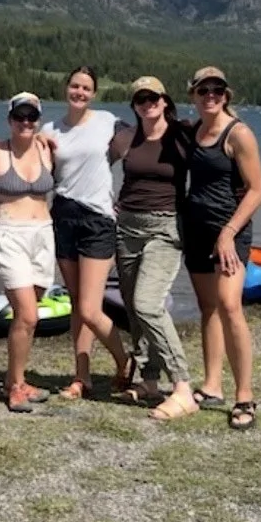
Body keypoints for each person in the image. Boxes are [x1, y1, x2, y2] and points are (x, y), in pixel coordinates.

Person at [181, 66, 261, 431]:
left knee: (230, 306)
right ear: (194, 96)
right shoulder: (194, 130)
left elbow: (258, 189)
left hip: (229, 235)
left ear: (226, 95)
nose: (210, 95)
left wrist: (229, 232)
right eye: (204, 90)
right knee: (208, 307)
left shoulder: (239, 134)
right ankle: (212, 385)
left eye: (217, 90)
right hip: (196, 232)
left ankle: (244, 395)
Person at [40, 66, 132, 400]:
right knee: (78, 302)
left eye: (86, 88)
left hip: (97, 220)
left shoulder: (108, 122)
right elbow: (44, 171)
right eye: (75, 86)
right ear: (67, 88)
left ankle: (125, 361)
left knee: (92, 308)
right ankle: (82, 378)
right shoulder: (50, 128)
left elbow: (140, 153)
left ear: (93, 93)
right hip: (63, 215)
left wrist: (131, 198)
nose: (79, 92)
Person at [110, 77, 198, 420]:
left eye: (153, 97)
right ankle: (148, 380)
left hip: (165, 228)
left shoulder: (182, 133)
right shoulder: (126, 136)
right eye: (140, 98)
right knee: (133, 307)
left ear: (164, 100)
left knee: (148, 304)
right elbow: (93, 167)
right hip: (127, 227)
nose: (147, 103)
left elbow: (216, 155)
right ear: (134, 104)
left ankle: (182, 387)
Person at [0, 92, 57, 412]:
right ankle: (14, 387)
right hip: (8, 234)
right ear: (10, 119)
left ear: (38, 119)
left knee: (29, 316)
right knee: (27, 314)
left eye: (31, 117)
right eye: (20, 116)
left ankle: (18, 377)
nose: (26, 122)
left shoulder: (46, 148)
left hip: (43, 234)